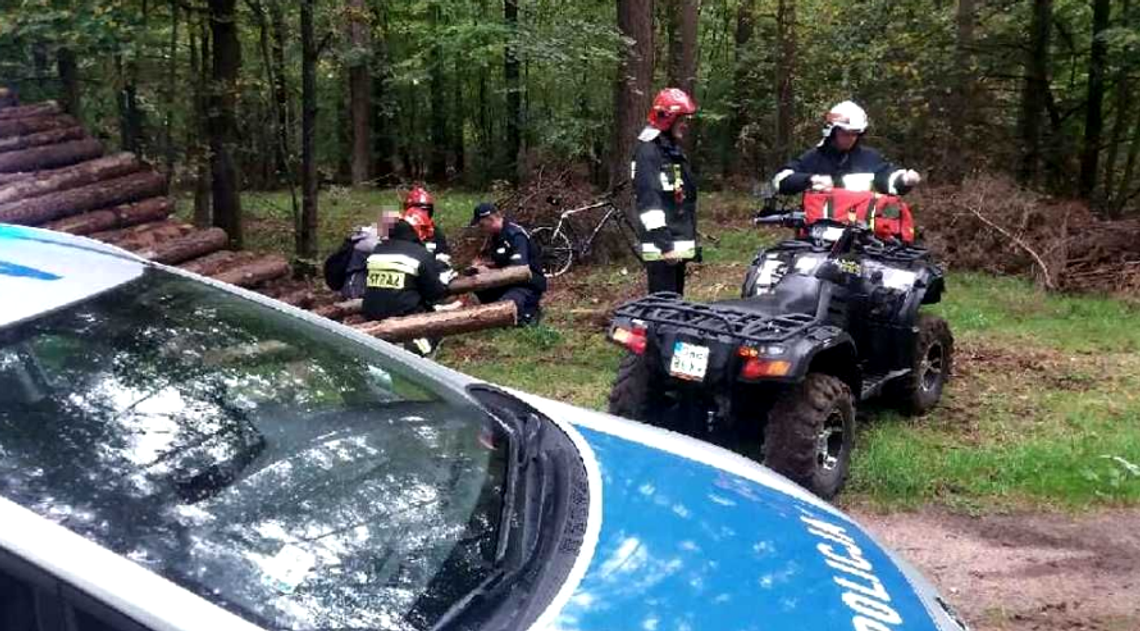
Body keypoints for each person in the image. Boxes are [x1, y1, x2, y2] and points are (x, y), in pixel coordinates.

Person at [771, 100, 922, 196]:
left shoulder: (869, 158)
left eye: (855, 134)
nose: (850, 138)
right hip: (817, 234)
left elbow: (887, 177)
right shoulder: (814, 157)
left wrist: (904, 179)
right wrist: (810, 179)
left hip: (860, 231)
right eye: (845, 133)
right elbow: (781, 180)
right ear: (832, 131)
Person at [631, 87, 699, 296]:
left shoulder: (669, 150)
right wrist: (665, 244)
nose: (685, 125)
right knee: (663, 308)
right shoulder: (649, 152)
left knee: (674, 305)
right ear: (667, 120)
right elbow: (648, 202)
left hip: (674, 244)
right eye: (681, 120)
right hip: (663, 249)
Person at [362, 215, 450, 355]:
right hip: (403, 315)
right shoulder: (421, 254)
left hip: (371, 314)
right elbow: (435, 293)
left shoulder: (376, 251)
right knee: (436, 325)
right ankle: (417, 349)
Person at [469, 202, 546, 326]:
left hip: (525, 284)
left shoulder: (515, 235)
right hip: (508, 282)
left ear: (491, 219)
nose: (481, 228)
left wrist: (489, 273)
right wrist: (485, 265)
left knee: (505, 311)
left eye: (482, 225)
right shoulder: (497, 236)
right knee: (476, 281)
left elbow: (518, 270)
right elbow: (504, 262)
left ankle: (528, 311)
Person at [402, 186, 455, 282]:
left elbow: (444, 259)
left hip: (428, 277)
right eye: (416, 210)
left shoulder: (435, 233)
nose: (420, 214)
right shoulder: (399, 231)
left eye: (425, 210)